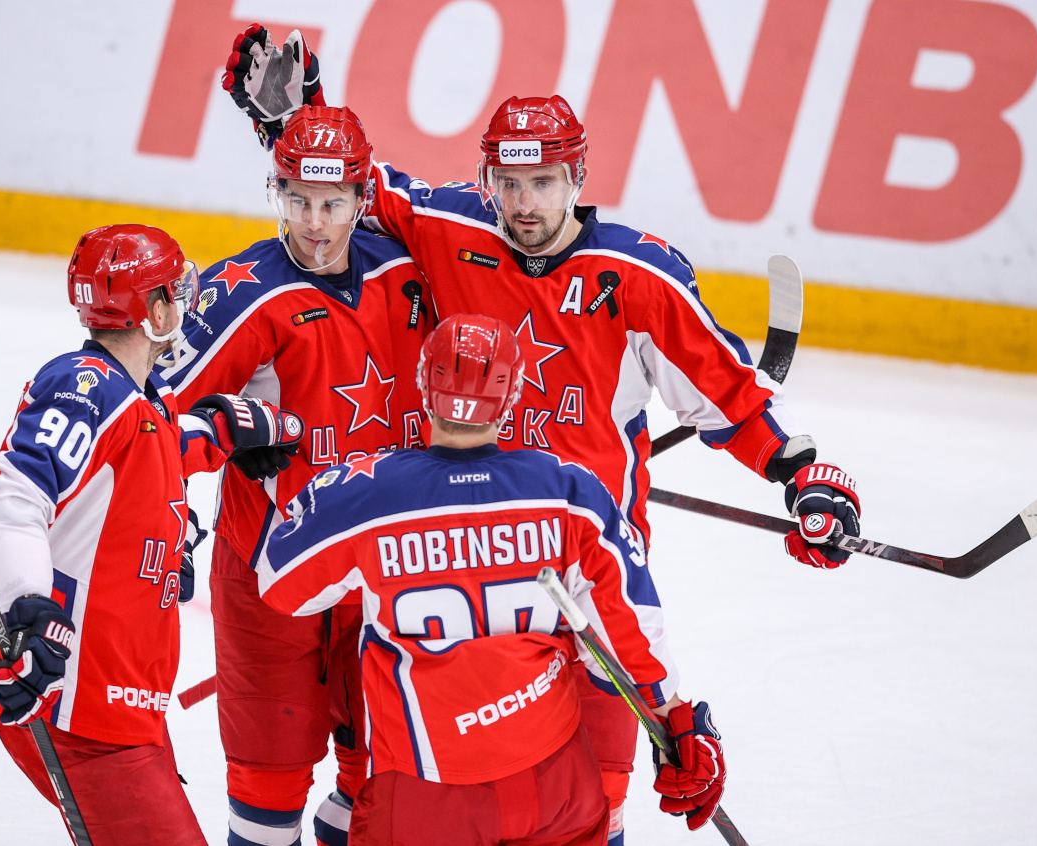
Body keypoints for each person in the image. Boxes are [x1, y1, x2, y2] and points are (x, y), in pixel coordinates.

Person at [223, 34, 861, 844]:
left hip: (583, 567)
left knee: (595, 800)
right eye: (510, 183)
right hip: (470, 561)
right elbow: (349, 185)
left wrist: (801, 474)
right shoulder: (448, 225)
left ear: (579, 179)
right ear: (486, 179)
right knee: (432, 786)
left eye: (545, 182)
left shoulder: (638, 276)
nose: (524, 203)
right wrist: (294, 120)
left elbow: (727, 392)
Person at [257, 314, 728, 845]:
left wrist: (329, 501)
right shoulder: (569, 490)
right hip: (555, 784)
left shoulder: (368, 494)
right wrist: (675, 717)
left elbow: (281, 584)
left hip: (426, 791)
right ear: (514, 396)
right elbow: (627, 629)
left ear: (423, 385)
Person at [0, 224, 303, 845]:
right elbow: (11, 502)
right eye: (175, 290)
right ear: (155, 311)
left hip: (116, 700)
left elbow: (152, 446)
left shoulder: (140, 396)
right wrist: (25, 609)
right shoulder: (82, 387)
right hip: (73, 699)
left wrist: (219, 432)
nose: (187, 301)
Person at [161, 104, 435, 846]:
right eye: (298, 200)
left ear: (362, 198)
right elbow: (150, 421)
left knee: (387, 782)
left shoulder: (410, 269)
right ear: (276, 193)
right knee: (268, 792)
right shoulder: (242, 292)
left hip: (383, 570)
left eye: (333, 203)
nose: (315, 224)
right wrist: (208, 451)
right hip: (268, 575)